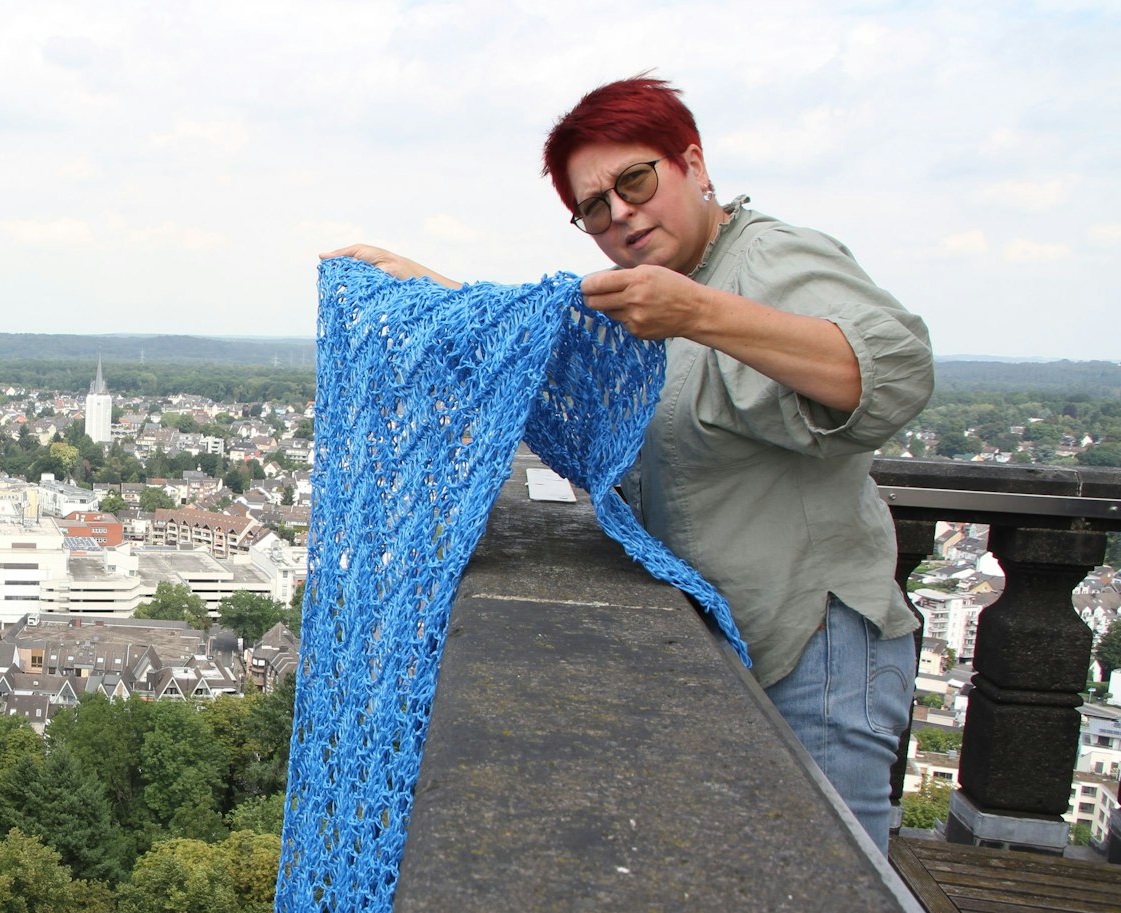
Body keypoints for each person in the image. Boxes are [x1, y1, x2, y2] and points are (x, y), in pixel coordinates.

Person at [325, 76, 933, 850]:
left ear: (694, 164)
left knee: (839, 895)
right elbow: (544, 354)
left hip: (813, 653)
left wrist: (699, 313)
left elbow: (898, 371)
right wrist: (423, 285)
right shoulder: (655, 296)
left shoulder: (769, 258)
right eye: (594, 208)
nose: (620, 214)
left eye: (635, 181)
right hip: (733, 649)